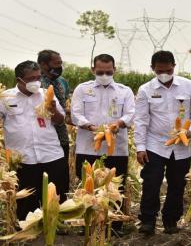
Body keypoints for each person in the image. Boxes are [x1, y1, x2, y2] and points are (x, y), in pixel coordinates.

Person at [135, 51, 191, 235]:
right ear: (152, 69)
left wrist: (190, 132)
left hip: (182, 145)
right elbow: (141, 120)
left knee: (177, 183)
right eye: (159, 71)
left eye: (167, 70)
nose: (164, 74)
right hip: (155, 143)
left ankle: (170, 220)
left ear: (174, 66)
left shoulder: (189, 86)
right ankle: (148, 220)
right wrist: (140, 147)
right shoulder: (145, 90)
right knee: (152, 181)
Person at [71, 54, 135, 235]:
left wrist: (119, 124)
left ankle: (114, 226)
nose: (104, 75)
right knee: (88, 186)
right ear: (93, 70)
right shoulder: (82, 90)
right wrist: (90, 126)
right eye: (100, 72)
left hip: (116, 149)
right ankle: (87, 223)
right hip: (88, 147)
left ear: (114, 70)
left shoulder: (125, 91)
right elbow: (76, 114)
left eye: (108, 72)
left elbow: (131, 113)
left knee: (115, 187)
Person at [1, 61, 67, 220]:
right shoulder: (5, 98)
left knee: (54, 196)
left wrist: (53, 110)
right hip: (22, 158)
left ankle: (56, 225)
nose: (36, 82)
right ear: (19, 80)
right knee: (26, 201)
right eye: (31, 79)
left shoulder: (46, 94)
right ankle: (28, 228)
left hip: (51, 154)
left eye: (38, 77)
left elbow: (60, 120)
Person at [38, 50, 70, 201]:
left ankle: (60, 208)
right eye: (56, 64)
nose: (60, 66)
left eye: (60, 63)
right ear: (44, 64)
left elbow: (65, 105)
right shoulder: (35, 84)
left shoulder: (62, 82)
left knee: (61, 175)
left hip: (61, 134)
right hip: (43, 137)